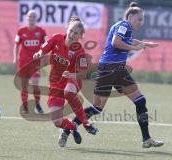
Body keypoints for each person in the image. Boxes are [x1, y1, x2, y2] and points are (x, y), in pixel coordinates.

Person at [59, 2, 164, 148]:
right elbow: (116, 42)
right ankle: (67, 128)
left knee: (135, 102)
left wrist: (144, 43)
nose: (141, 22)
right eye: (139, 18)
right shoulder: (124, 25)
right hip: (110, 68)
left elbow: (128, 40)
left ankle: (146, 139)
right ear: (131, 16)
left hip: (114, 69)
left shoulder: (125, 28)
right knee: (102, 107)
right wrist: (136, 47)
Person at [33, 16, 98, 147]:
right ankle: (72, 127)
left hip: (72, 79)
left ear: (80, 36)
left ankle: (86, 123)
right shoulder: (56, 38)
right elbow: (44, 48)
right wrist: (39, 53)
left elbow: (83, 73)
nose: (73, 34)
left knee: (68, 92)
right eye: (71, 31)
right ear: (67, 28)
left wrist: (71, 74)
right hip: (55, 83)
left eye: (76, 33)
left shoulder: (79, 50)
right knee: (57, 121)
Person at [13, 10, 46, 114]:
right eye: (29, 16)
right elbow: (16, 45)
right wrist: (15, 58)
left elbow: (46, 45)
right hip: (23, 62)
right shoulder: (21, 30)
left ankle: (37, 104)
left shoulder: (41, 31)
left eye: (33, 16)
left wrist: (44, 59)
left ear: (36, 18)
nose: (31, 18)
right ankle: (25, 106)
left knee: (35, 84)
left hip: (35, 62)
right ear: (27, 18)